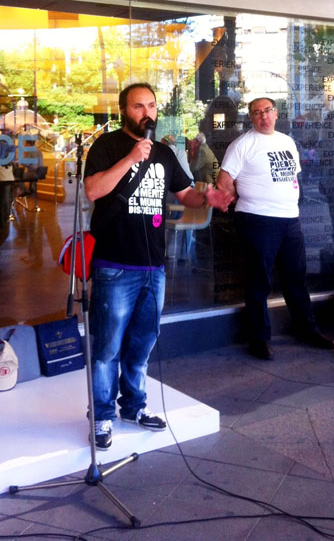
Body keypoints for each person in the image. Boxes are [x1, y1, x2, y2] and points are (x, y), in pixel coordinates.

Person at [84, 83, 232, 449]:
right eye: (139, 106)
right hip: (114, 265)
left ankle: (134, 406)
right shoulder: (106, 146)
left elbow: (186, 194)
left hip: (153, 266)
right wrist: (131, 158)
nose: (147, 112)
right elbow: (93, 191)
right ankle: (102, 416)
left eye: (151, 105)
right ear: (124, 110)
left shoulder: (164, 153)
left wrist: (209, 197)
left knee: (142, 343)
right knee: (107, 348)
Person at [216, 97, 334, 360]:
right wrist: (246, 197)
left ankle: (307, 330)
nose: (264, 116)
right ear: (251, 117)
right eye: (257, 112)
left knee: (296, 278)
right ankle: (259, 338)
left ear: (276, 113)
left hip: (289, 220)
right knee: (259, 281)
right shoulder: (242, 145)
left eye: (268, 110)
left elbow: (292, 176)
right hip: (257, 220)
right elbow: (223, 182)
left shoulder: (287, 141)